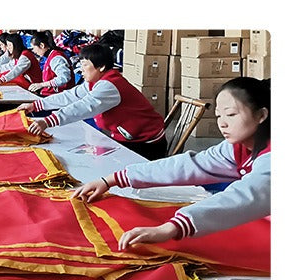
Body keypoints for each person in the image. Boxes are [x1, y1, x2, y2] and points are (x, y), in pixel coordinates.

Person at [71, 77, 271, 250]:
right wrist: (112, 179)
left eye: (231, 114)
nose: (222, 123)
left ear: (261, 115)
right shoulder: (237, 147)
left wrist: (171, 228)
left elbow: (246, 195)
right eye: (219, 115)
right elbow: (189, 165)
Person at [17, 44, 166, 160]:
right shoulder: (96, 82)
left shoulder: (109, 86)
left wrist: (48, 121)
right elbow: (71, 96)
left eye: (85, 65)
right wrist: (36, 105)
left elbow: (83, 107)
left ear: (101, 66)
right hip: (127, 136)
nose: (81, 70)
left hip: (146, 144)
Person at [27, 31, 74, 96]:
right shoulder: (49, 57)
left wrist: (41, 85)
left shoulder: (56, 58)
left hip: (59, 97)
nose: (33, 51)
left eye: (33, 48)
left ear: (42, 45)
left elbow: (64, 78)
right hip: (51, 94)